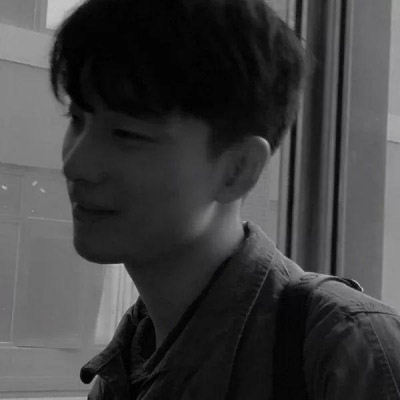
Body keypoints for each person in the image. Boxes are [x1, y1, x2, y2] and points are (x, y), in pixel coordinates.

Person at [49, 0, 400, 398]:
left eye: (126, 134)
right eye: (77, 119)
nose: (76, 164)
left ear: (238, 169)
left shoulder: (344, 349)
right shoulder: (122, 373)